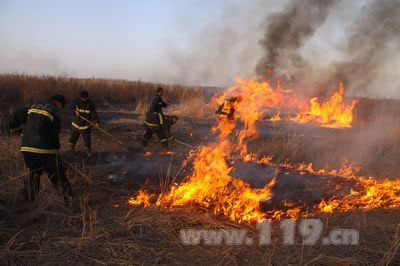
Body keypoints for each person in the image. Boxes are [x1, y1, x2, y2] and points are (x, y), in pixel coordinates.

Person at [9, 95, 73, 205]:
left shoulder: (32, 107)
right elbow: (54, 137)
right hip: (45, 151)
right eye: (61, 106)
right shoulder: (54, 114)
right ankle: (68, 199)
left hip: (27, 149)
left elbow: (15, 114)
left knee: (33, 174)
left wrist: (17, 132)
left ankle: (29, 200)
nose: (60, 109)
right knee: (57, 175)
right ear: (58, 103)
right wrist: (56, 153)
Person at [69, 91, 99, 155]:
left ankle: (88, 151)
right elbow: (71, 108)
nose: (84, 99)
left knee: (87, 140)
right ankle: (71, 149)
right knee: (73, 138)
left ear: (87, 97)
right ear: (80, 97)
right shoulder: (76, 101)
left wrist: (96, 122)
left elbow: (94, 113)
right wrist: (75, 111)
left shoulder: (90, 103)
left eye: (85, 98)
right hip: (75, 124)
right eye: (82, 98)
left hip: (85, 125)